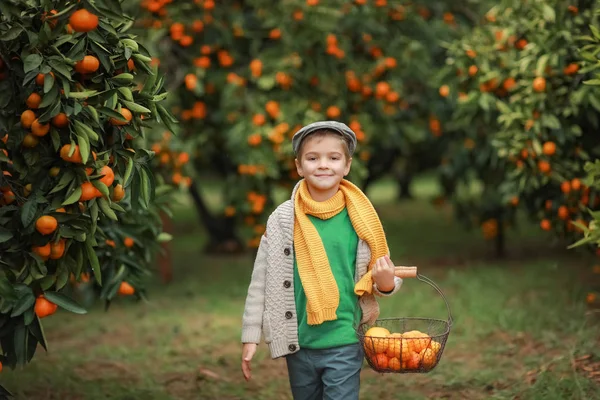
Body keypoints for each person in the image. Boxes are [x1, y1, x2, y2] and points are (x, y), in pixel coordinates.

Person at [240, 121, 403, 400]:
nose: (323, 165)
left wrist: (387, 283)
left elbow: (381, 275)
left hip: (345, 340)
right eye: (313, 158)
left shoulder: (360, 217)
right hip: (299, 343)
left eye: (333, 158)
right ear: (299, 166)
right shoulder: (282, 220)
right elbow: (260, 282)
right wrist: (250, 335)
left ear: (347, 165)